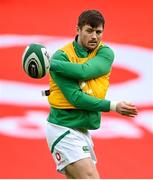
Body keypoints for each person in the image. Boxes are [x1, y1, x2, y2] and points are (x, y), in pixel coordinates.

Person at [45, 10, 138, 179]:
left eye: (99, 32)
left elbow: (84, 71)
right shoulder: (63, 56)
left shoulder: (105, 53)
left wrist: (50, 64)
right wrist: (113, 106)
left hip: (83, 131)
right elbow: (76, 99)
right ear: (78, 29)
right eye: (89, 30)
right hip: (63, 128)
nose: (94, 36)